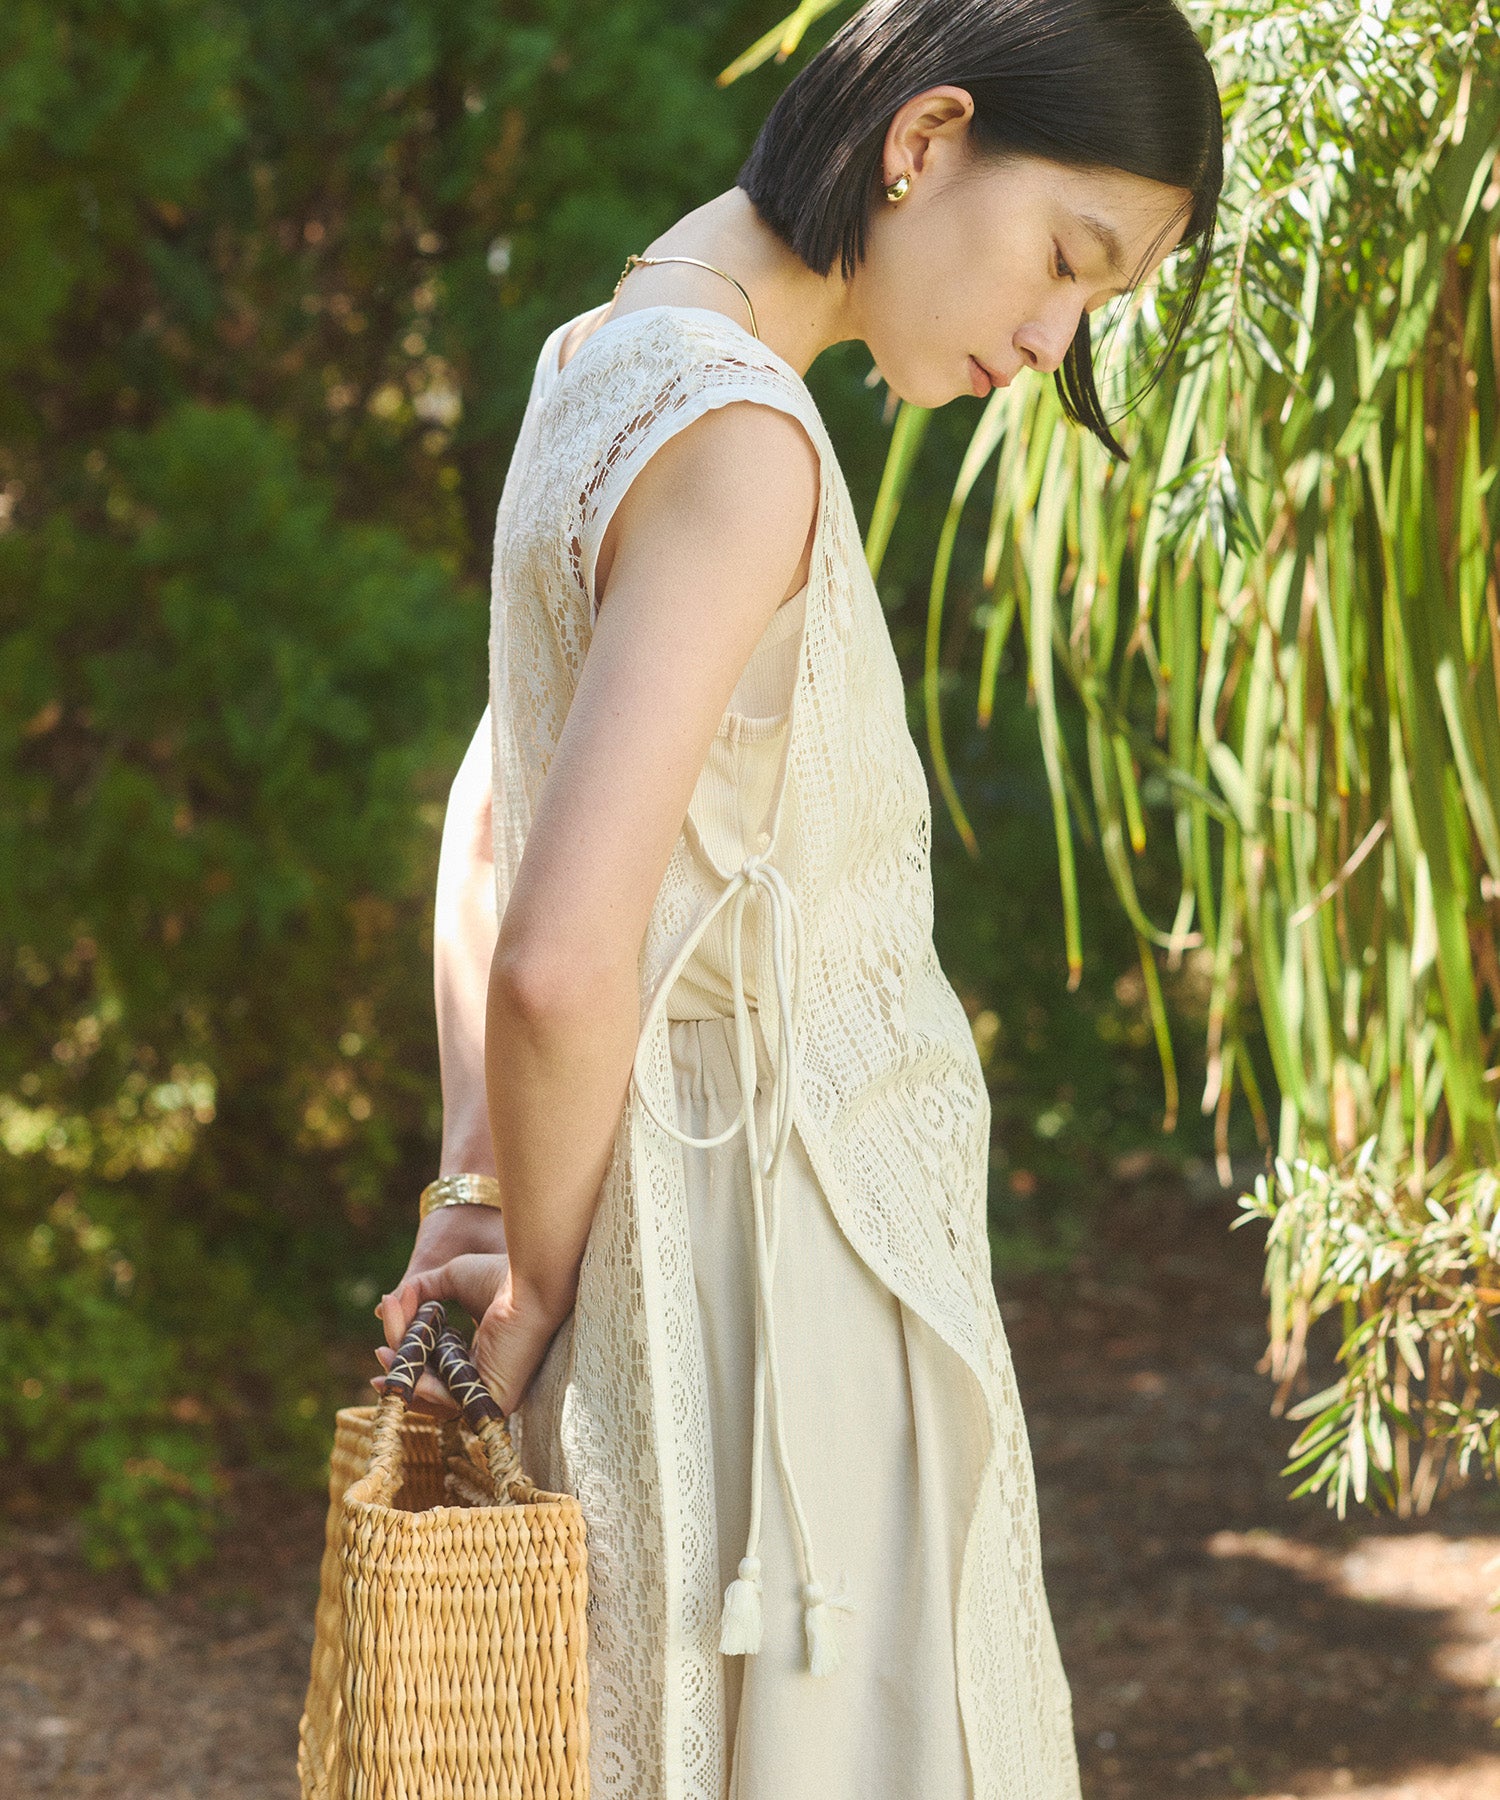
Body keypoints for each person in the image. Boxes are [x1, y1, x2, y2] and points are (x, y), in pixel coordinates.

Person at [373, 0, 1223, 1795]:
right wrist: (523, 1271)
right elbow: (552, 954)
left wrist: (485, 1191)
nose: (1055, 333)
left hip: (683, 1243)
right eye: (1066, 258)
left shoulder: (603, 351)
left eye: (1102, 303)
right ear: (923, 143)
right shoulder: (743, 438)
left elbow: (488, 813)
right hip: (780, 1285)